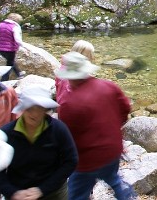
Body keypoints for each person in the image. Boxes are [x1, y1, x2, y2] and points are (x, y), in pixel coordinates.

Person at [55, 52, 135, 200]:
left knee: (76, 194)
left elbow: (66, 136)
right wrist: (114, 128)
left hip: (85, 161)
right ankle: (126, 196)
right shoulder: (109, 86)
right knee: (113, 178)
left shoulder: (68, 103)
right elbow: (125, 109)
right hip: (113, 150)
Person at [0, 86, 78, 200]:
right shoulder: (7, 133)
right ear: (23, 109)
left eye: (39, 108)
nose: (34, 114)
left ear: (46, 110)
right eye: (30, 108)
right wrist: (12, 192)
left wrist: (43, 189)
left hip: (53, 192)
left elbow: (71, 160)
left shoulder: (58, 129)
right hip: (18, 193)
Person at [0, 13, 28, 81]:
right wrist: (23, 46)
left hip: (0, 48)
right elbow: (17, 39)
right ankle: (5, 79)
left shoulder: (0, 25)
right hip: (10, 49)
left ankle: (19, 73)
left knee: (10, 62)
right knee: (10, 63)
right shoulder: (14, 27)